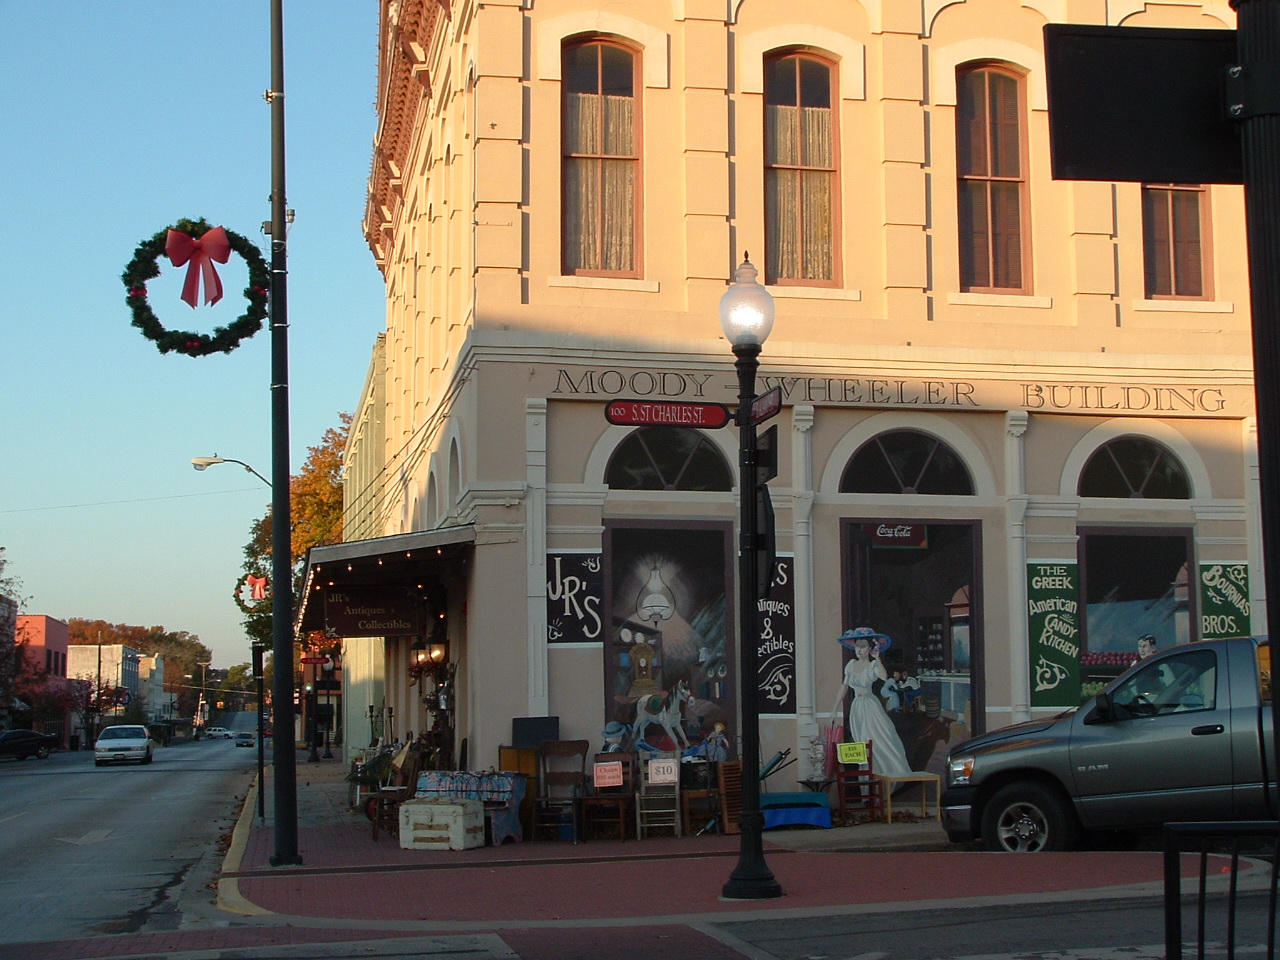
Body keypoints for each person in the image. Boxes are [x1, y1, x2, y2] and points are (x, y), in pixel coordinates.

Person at [829, 627, 913, 778]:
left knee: (879, 737)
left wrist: (877, 658)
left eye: (863, 646)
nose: (859, 650)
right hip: (857, 707)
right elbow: (845, 686)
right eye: (857, 646)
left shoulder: (872, 665)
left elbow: (883, 676)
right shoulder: (851, 665)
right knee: (863, 743)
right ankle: (867, 781)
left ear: (869, 648)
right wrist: (834, 709)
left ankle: (886, 774)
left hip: (870, 705)